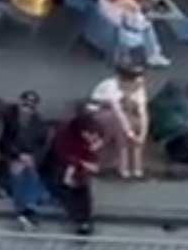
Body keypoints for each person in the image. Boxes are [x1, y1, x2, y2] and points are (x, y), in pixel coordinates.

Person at [46, 103, 107, 235]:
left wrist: (90, 155)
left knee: (83, 187)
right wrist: (78, 165)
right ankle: (79, 218)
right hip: (59, 164)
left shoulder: (94, 131)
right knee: (66, 189)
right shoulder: (65, 135)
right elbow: (63, 155)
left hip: (78, 164)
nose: (92, 139)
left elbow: (95, 148)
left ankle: (86, 219)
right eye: (90, 136)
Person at [90, 62, 152, 179]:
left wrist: (142, 135)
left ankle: (137, 166)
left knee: (136, 122)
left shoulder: (139, 88)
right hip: (100, 113)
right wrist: (130, 134)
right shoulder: (111, 86)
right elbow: (117, 112)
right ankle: (122, 166)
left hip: (125, 113)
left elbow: (143, 112)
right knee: (118, 124)